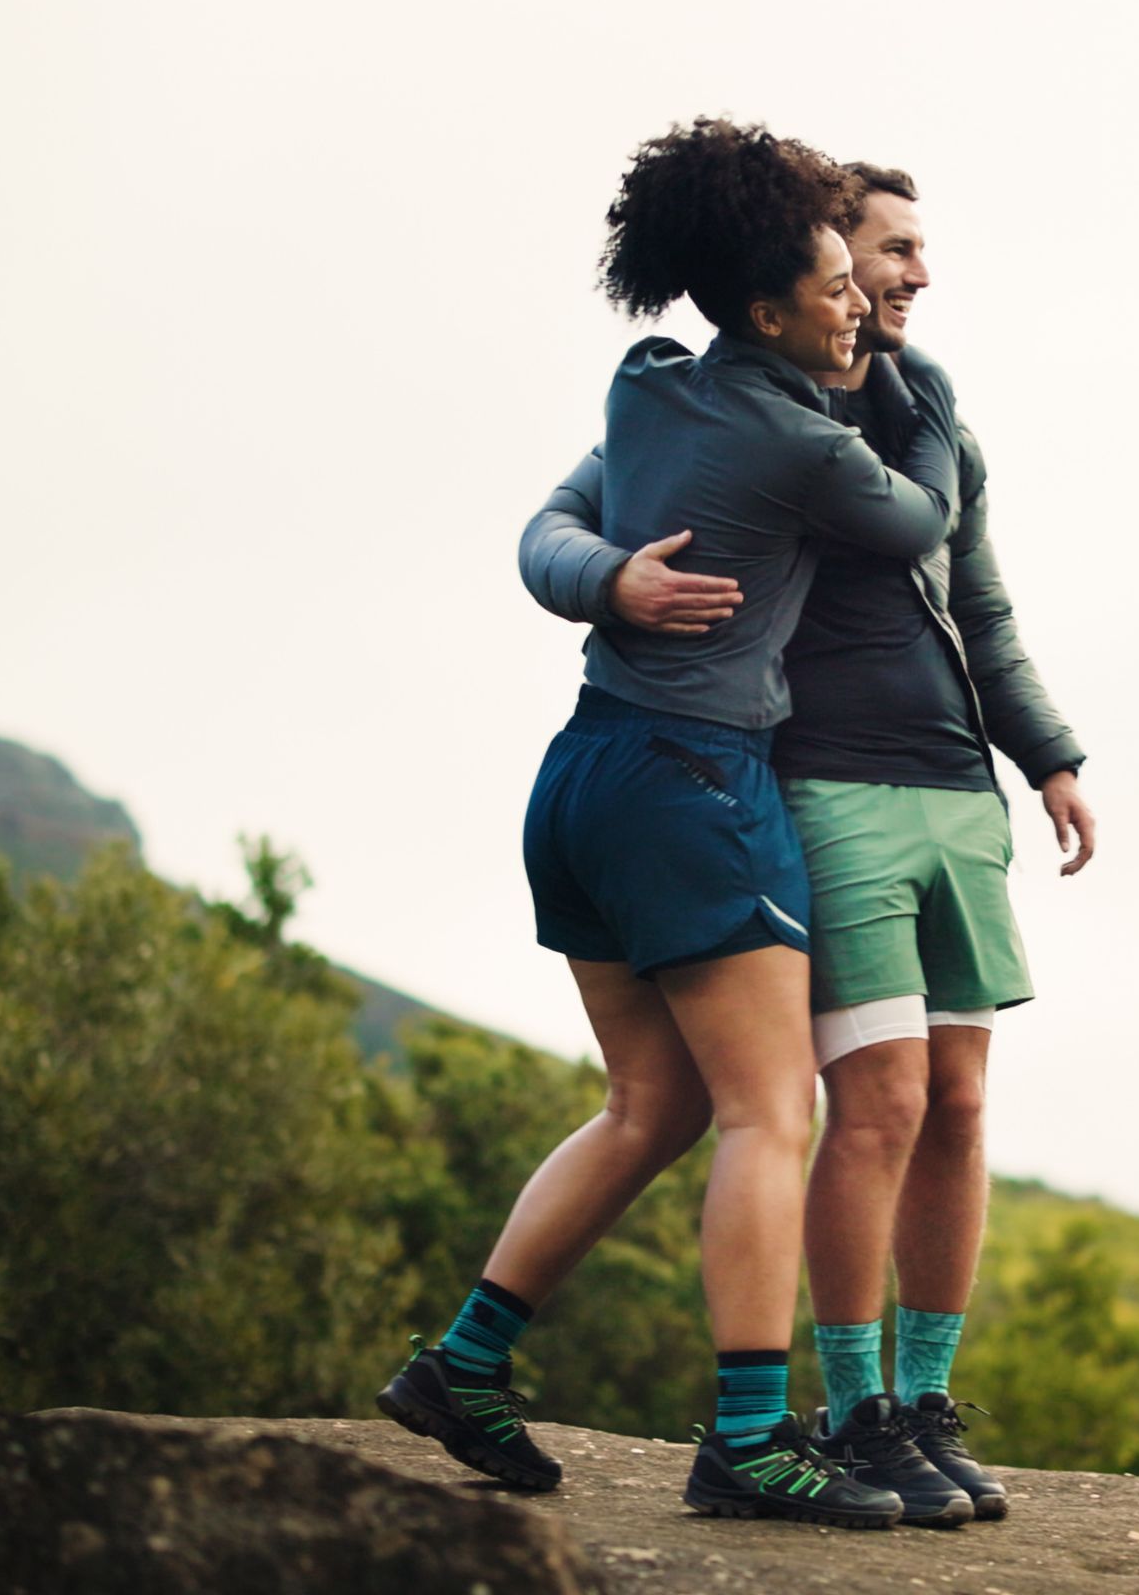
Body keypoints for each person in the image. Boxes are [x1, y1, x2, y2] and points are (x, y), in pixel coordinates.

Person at [378, 118, 958, 1530]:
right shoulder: (805, 444)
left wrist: (602, 579)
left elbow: (549, 525)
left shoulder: (647, 389)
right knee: (775, 1110)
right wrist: (914, 379)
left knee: (655, 1104)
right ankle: (753, 1440)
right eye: (835, 288)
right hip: (698, 781)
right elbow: (921, 514)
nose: (856, 306)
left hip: (582, 778)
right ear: (769, 308)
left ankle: (463, 1364)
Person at [519, 162, 1095, 1526]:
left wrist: (1051, 754)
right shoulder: (735, 402)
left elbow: (981, 605)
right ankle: (847, 1413)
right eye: (884, 252)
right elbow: (550, 527)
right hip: (818, 788)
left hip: (958, 791)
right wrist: (610, 578)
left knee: (956, 1106)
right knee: (868, 1105)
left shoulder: (928, 403)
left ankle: (922, 1403)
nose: (908, 277)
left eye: (905, 255)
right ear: (811, 275)